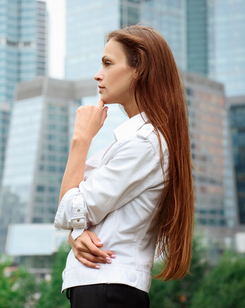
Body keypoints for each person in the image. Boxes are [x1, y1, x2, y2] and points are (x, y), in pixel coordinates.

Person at [54, 25, 194, 308]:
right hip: (102, 286)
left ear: (138, 69)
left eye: (108, 63)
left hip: (107, 289)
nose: (98, 74)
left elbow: (72, 210)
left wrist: (81, 139)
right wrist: (77, 234)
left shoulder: (144, 143)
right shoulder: (135, 141)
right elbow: (79, 217)